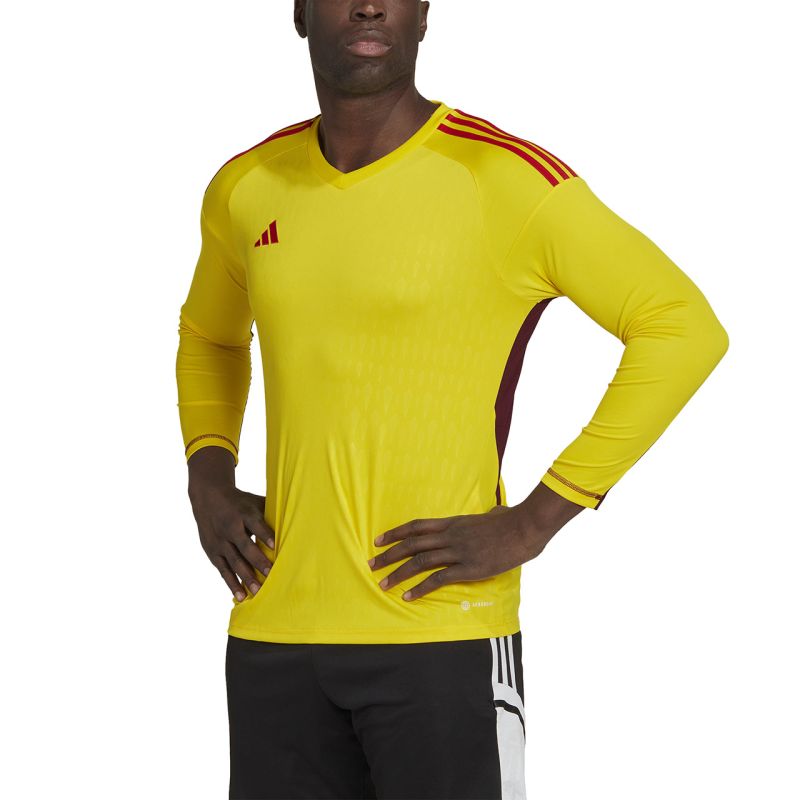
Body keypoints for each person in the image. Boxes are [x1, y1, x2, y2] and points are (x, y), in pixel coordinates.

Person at [175, 2, 729, 798]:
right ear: (299, 11)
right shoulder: (247, 186)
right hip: (273, 632)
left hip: (442, 638)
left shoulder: (502, 177)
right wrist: (208, 479)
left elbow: (682, 327)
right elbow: (211, 337)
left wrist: (537, 518)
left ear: (425, 14)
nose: (370, 3)